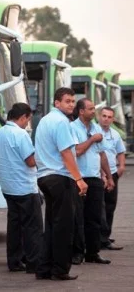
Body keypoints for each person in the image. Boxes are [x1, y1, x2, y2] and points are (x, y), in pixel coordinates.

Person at [35, 87, 87, 281]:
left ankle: (44, 269)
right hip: (60, 177)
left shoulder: (45, 120)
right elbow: (66, 153)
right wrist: (79, 179)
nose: (71, 105)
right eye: (67, 101)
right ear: (57, 103)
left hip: (44, 177)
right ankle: (60, 270)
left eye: (73, 101)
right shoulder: (62, 122)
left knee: (51, 225)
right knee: (64, 227)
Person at [0, 103, 43, 273]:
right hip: (25, 187)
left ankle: (14, 262)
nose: (27, 123)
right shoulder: (21, 135)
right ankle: (33, 263)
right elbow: (30, 161)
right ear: (23, 117)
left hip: (8, 187)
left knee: (14, 226)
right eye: (28, 120)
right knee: (32, 227)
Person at [70, 98, 114, 265]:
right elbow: (77, 151)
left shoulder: (95, 127)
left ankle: (93, 252)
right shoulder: (72, 128)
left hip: (95, 178)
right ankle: (77, 252)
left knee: (94, 217)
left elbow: (102, 155)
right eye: (90, 109)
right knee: (78, 217)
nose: (93, 111)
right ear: (81, 111)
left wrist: (109, 176)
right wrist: (92, 139)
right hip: (79, 178)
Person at [98, 106, 126, 250]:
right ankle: (100, 238)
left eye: (109, 117)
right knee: (99, 207)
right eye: (104, 116)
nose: (106, 119)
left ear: (113, 119)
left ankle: (105, 236)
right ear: (99, 116)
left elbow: (121, 152)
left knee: (110, 206)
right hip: (97, 175)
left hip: (113, 174)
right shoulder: (94, 132)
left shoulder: (115, 134)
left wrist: (121, 166)